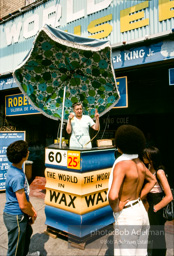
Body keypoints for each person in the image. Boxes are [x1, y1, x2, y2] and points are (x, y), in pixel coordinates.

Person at [108, 124, 156, 256]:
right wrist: (140, 196)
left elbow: (113, 196)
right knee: (141, 253)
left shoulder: (122, 164)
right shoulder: (140, 163)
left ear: (120, 144)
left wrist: (116, 208)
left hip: (128, 215)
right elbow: (153, 180)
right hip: (141, 212)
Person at [3, 140, 39, 256]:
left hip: (17, 215)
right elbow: (23, 205)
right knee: (15, 250)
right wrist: (32, 214)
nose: (28, 152)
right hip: (16, 217)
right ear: (25, 156)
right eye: (27, 151)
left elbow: (24, 196)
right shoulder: (18, 176)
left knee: (27, 232)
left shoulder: (14, 169)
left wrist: (32, 209)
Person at [143, 146, 173, 256]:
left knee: (157, 234)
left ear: (150, 157)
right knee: (155, 234)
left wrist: (155, 208)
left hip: (157, 203)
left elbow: (169, 196)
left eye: (145, 155)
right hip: (151, 202)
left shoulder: (159, 172)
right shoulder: (149, 168)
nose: (143, 156)